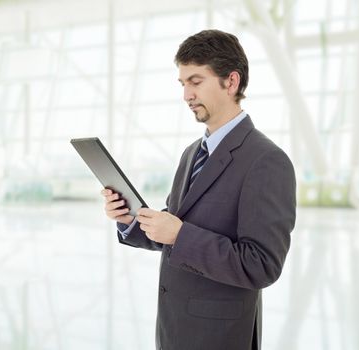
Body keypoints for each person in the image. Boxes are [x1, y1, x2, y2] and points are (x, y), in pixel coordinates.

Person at [102, 29, 296, 350]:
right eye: (182, 84)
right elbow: (174, 227)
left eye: (196, 81)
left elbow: (261, 265)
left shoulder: (267, 160)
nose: (186, 95)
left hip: (219, 338)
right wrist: (129, 219)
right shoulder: (192, 152)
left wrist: (180, 235)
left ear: (231, 82)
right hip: (173, 329)